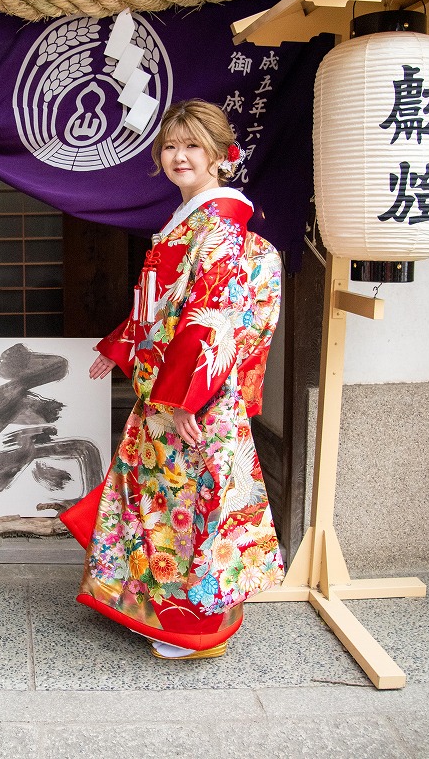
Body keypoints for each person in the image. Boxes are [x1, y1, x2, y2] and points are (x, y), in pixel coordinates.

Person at [60, 99, 284, 660]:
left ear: (220, 155)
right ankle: (163, 612)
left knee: (187, 507)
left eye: (193, 147)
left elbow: (211, 314)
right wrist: (123, 345)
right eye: (170, 146)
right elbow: (164, 305)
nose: (179, 157)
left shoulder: (220, 221)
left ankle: (192, 630)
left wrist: (186, 398)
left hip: (191, 396)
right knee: (166, 504)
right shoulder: (190, 216)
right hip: (169, 386)